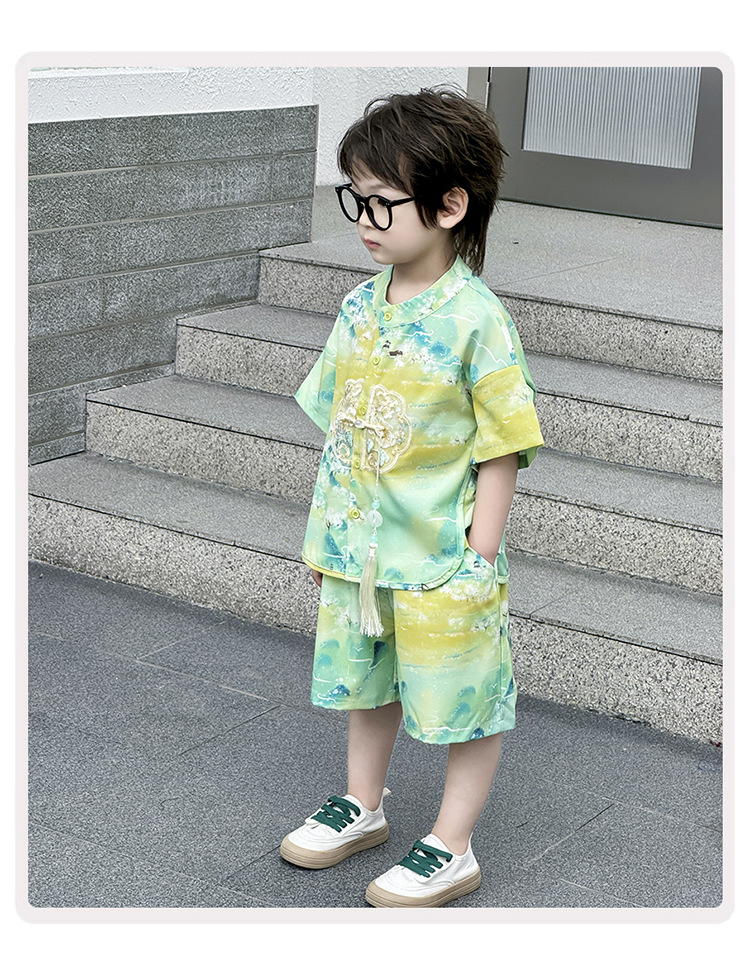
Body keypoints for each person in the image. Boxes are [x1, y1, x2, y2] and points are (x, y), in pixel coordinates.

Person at [280, 85, 544, 908]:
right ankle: (363, 805)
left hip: (441, 558)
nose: (363, 219)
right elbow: (340, 430)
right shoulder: (360, 306)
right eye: (354, 198)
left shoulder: (477, 320)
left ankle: (452, 844)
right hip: (360, 552)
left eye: (380, 202)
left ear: (449, 205)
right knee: (367, 682)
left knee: (466, 696)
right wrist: (325, 539)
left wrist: (479, 558)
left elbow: (502, 444)